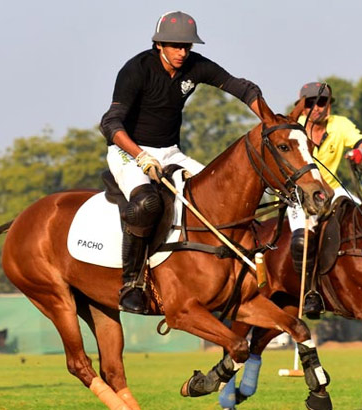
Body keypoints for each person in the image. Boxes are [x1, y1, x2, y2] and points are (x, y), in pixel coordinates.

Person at [99, 11, 265, 314]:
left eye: (186, 46)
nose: (182, 52)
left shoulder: (195, 66)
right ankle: (132, 283)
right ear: (159, 44)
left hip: (171, 151)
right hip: (127, 149)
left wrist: (269, 121)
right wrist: (141, 156)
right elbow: (110, 123)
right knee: (146, 204)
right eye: (176, 46)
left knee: (223, 194)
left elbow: (241, 87)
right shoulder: (136, 69)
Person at [288, 82, 362, 318]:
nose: (317, 108)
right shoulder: (295, 128)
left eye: (321, 102)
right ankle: (309, 293)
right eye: (310, 103)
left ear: (329, 105)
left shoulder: (340, 125)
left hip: (333, 191)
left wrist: (358, 153)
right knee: (302, 241)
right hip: (300, 195)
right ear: (302, 107)